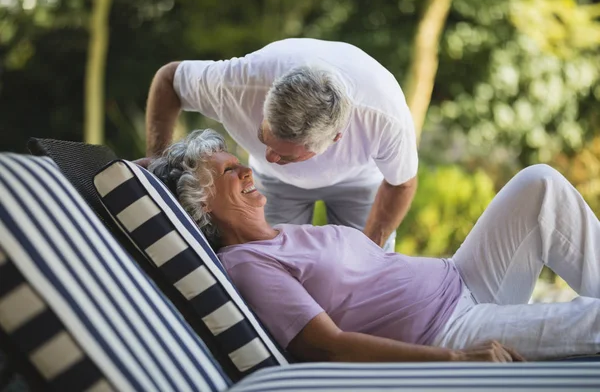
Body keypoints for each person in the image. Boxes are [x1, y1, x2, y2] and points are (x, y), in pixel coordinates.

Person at [149, 129, 600, 362]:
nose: (248, 171)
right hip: (446, 330)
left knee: (538, 184)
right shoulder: (249, 264)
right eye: (230, 171)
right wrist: (455, 358)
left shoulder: (282, 235)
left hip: (462, 278)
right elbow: (329, 346)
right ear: (199, 202)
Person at [143, 38, 419, 252]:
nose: (271, 156)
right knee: (268, 264)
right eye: (265, 138)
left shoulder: (384, 117)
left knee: (366, 274)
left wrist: (369, 252)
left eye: (286, 156)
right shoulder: (237, 84)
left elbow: (402, 184)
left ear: (336, 138)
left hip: (358, 181)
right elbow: (168, 80)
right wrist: (158, 166)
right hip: (273, 185)